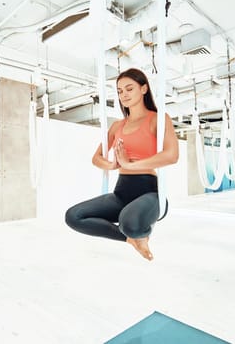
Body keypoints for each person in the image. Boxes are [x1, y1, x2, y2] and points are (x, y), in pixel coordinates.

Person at [65, 68, 179, 261]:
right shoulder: (118, 125)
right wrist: (113, 165)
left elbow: (171, 155)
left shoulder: (158, 119)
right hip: (121, 192)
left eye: (129, 89)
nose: (123, 95)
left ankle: (134, 231)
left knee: (130, 222)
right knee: (73, 217)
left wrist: (131, 164)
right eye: (119, 91)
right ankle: (131, 240)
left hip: (149, 193)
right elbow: (97, 157)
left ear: (143, 89)